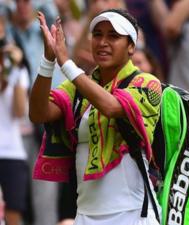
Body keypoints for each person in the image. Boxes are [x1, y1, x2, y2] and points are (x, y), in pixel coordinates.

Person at [29, 8, 162, 225]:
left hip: (133, 214)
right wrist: (48, 61)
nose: (102, 42)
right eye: (97, 34)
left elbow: (111, 106)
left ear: (131, 46)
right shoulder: (79, 87)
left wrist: (67, 64)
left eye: (113, 36)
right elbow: (38, 113)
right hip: (84, 215)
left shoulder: (147, 83)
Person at [0, 14, 30, 225]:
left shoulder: (17, 69)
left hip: (12, 152)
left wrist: (17, 69)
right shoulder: (9, 69)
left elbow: (19, 111)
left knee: (13, 215)